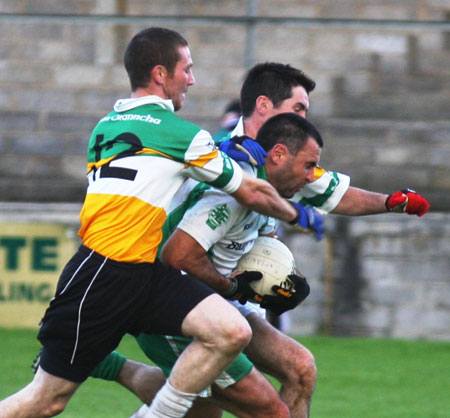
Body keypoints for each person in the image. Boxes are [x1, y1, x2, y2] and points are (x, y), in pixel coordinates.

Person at [0, 30, 316, 418]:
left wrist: (224, 152)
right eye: (187, 69)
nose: (192, 79)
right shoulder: (180, 135)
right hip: (103, 275)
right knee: (46, 400)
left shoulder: (107, 124)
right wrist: (298, 214)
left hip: (146, 272)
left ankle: (152, 408)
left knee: (230, 331)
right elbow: (249, 191)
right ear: (160, 74)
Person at [90, 62, 430, 418]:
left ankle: (122, 369)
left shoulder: (285, 160)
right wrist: (232, 284)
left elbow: (335, 192)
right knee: (216, 409)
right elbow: (179, 250)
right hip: (177, 301)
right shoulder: (219, 159)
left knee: (298, 369)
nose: (303, 117)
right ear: (265, 106)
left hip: (225, 302)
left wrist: (391, 203)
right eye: (298, 108)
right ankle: (119, 369)